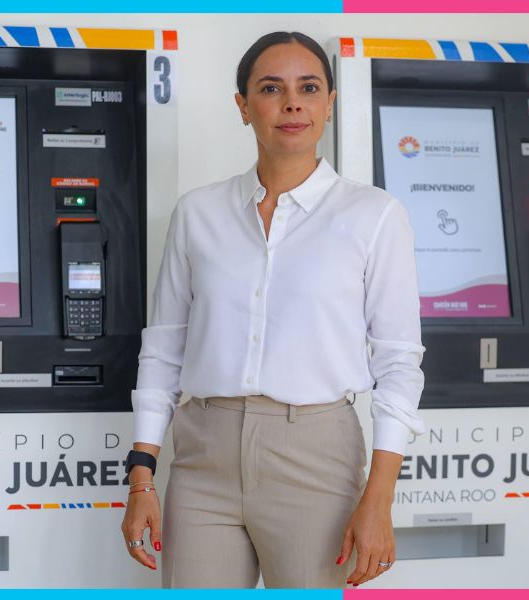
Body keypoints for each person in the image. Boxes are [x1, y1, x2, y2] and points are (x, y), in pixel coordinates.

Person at [121, 31, 426, 589]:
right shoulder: (197, 213)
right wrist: (142, 475)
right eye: (270, 88)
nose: (292, 104)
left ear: (330, 104)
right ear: (243, 106)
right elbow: (163, 349)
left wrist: (379, 497)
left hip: (315, 455)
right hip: (203, 458)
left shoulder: (374, 215)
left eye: (308, 88)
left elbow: (399, 363)